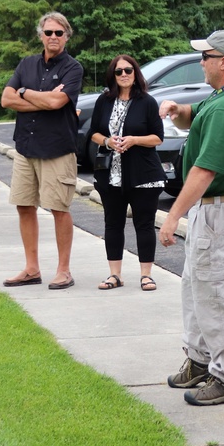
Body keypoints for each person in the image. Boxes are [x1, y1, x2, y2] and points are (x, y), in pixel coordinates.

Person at [158, 30, 224, 406]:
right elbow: (194, 116)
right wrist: (177, 110)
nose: (200, 61)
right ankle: (200, 362)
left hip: (221, 209)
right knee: (196, 288)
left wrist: (172, 217)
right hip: (217, 209)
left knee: (216, 294)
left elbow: (204, 171)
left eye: (206, 56)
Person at [1, 11, 84, 290]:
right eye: (48, 32)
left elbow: (57, 103)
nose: (53, 37)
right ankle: (31, 269)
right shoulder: (27, 64)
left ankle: (64, 271)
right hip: (26, 147)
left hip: (57, 149)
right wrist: (41, 98)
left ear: (66, 36)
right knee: (24, 206)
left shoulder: (73, 68)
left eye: (58, 33)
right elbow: (5, 99)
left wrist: (24, 93)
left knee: (59, 208)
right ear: (40, 35)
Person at [89, 54, 167, 292]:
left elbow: (158, 138)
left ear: (136, 74)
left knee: (144, 224)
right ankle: (115, 275)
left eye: (128, 70)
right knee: (113, 223)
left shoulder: (147, 102)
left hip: (143, 174)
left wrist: (134, 140)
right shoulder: (104, 101)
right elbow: (93, 132)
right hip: (111, 175)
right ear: (113, 75)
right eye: (119, 71)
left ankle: (146, 275)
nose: (124, 75)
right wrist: (108, 142)